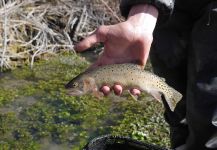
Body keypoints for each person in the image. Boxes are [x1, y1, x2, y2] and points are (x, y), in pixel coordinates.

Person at [75, 0, 217, 149]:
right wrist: (143, 14)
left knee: (208, 113)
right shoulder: (92, 78)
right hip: (167, 11)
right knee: (177, 112)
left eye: (77, 85)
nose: (76, 88)